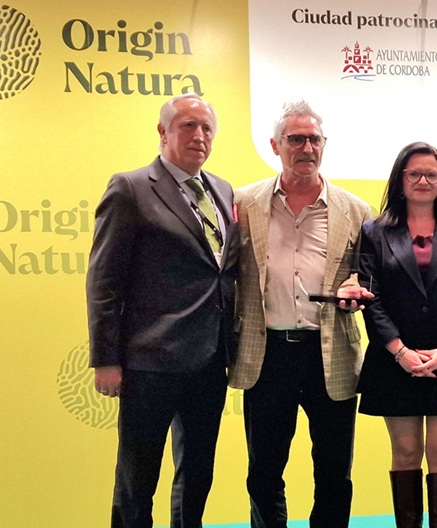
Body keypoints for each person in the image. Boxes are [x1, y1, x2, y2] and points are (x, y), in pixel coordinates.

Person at [87, 93, 239, 528]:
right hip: (149, 361)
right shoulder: (130, 188)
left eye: (207, 128)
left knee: (198, 472)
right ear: (163, 132)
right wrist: (105, 359)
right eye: (188, 126)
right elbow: (104, 280)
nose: (199, 135)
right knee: (138, 477)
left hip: (210, 358)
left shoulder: (223, 190)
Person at [228, 100, 373, 528]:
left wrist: (357, 286)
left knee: (334, 471)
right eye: (295, 139)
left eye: (314, 139)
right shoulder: (243, 204)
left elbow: (371, 276)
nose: (306, 148)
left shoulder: (357, 211)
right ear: (275, 145)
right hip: (267, 354)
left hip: (330, 354)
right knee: (263, 471)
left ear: (324, 145)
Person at [357, 142, 437, 528]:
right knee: (405, 453)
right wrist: (401, 352)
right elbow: (370, 298)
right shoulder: (375, 231)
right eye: (414, 173)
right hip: (395, 359)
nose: (423, 181)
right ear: (400, 179)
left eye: (432, 174)